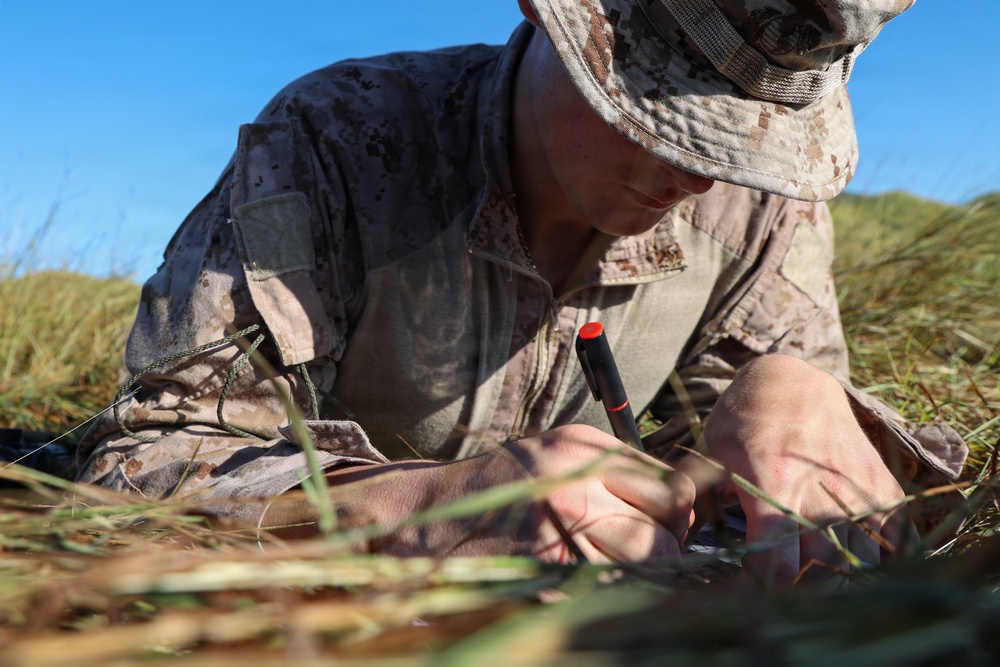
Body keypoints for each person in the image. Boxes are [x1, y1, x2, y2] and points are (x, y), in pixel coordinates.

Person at [76, 0, 968, 582]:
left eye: (741, 141)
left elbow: (798, 500)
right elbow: (140, 473)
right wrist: (421, 506)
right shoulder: (333, 145)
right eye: (659, 108)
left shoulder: (758, 210)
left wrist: (794, 395)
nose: (700, 174)